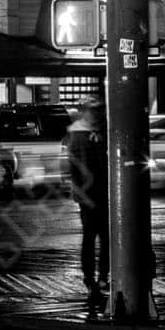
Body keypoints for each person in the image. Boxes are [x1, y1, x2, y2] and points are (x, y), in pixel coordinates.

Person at [64, 99, 109, 301]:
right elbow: (73, 169)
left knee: (102, 239)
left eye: (99, 111)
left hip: (100, 194)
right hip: (90, 196)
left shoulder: (98, 131)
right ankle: (93, 279)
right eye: (94, 112)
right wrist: (81, 195)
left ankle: (100, 278)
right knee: (93, 238)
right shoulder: (80, 134)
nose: (97, 115)